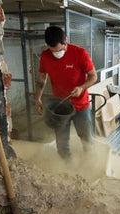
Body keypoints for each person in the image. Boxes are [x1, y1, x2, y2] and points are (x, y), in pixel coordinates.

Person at [35, 26, 98, 159]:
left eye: (60, 50)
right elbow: (42, 78)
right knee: (62, 143)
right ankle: (67, 168)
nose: (57, 54)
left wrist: (81, 87)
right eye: (54, 52)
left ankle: (90, 164)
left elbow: (93, 76)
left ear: (66, 40)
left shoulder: (80, 53)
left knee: (87, 139)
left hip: (80, 105)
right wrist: (37, 98)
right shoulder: (45, 56)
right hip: (60, 106)